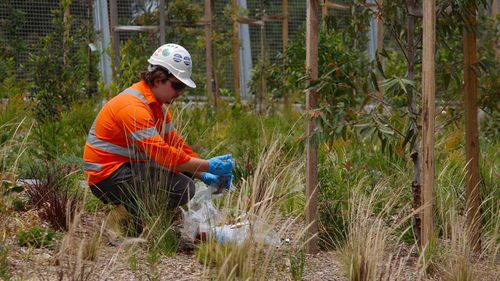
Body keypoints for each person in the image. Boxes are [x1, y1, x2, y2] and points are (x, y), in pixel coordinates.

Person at [83, 43, 234, 235]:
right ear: (157, 80)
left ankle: (138, 216)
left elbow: (177, 146)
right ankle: (125, 220)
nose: (180, 93)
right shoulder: (133, 107)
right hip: (106, 178)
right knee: (183, 187)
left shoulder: (158, 108)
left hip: (125, 168)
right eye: (177, 86)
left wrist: (202, 174)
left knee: (187, 172)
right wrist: (207, 166)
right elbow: (162, 154)